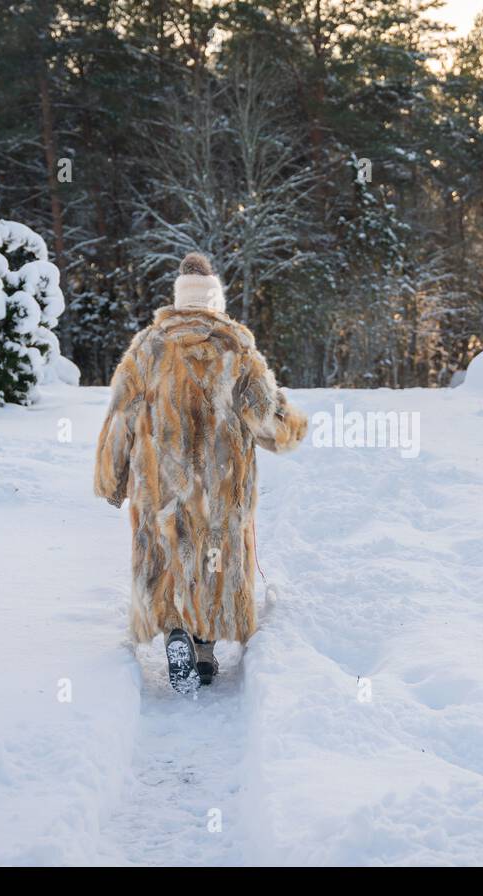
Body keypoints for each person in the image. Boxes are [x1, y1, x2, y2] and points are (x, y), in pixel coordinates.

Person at [94, 252, 307, 693]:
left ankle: (174, 630)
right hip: (220, 486)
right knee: (214, 557)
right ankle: (205, 649)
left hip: (160, 486)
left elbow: (121, 417)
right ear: (214, 300)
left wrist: (112, 479)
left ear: (179, 299)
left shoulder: (148, 347)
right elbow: (267, 417)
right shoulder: (235, 347)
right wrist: (292, 425)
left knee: (170, 554)